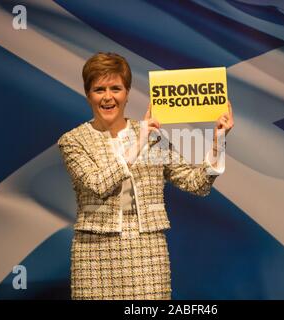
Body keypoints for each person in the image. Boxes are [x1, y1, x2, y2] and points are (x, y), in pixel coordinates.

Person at [57, 52, 234, 300]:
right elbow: (97, 184)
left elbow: (196, 184)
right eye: (99, 89)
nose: (108, 97)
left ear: (127, 93)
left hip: (147, 252)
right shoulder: (73, 141)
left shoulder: (153, 138)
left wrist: (218, 142)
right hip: (94, 254)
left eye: (115, 88)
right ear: (88, 95)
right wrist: (139, 141)